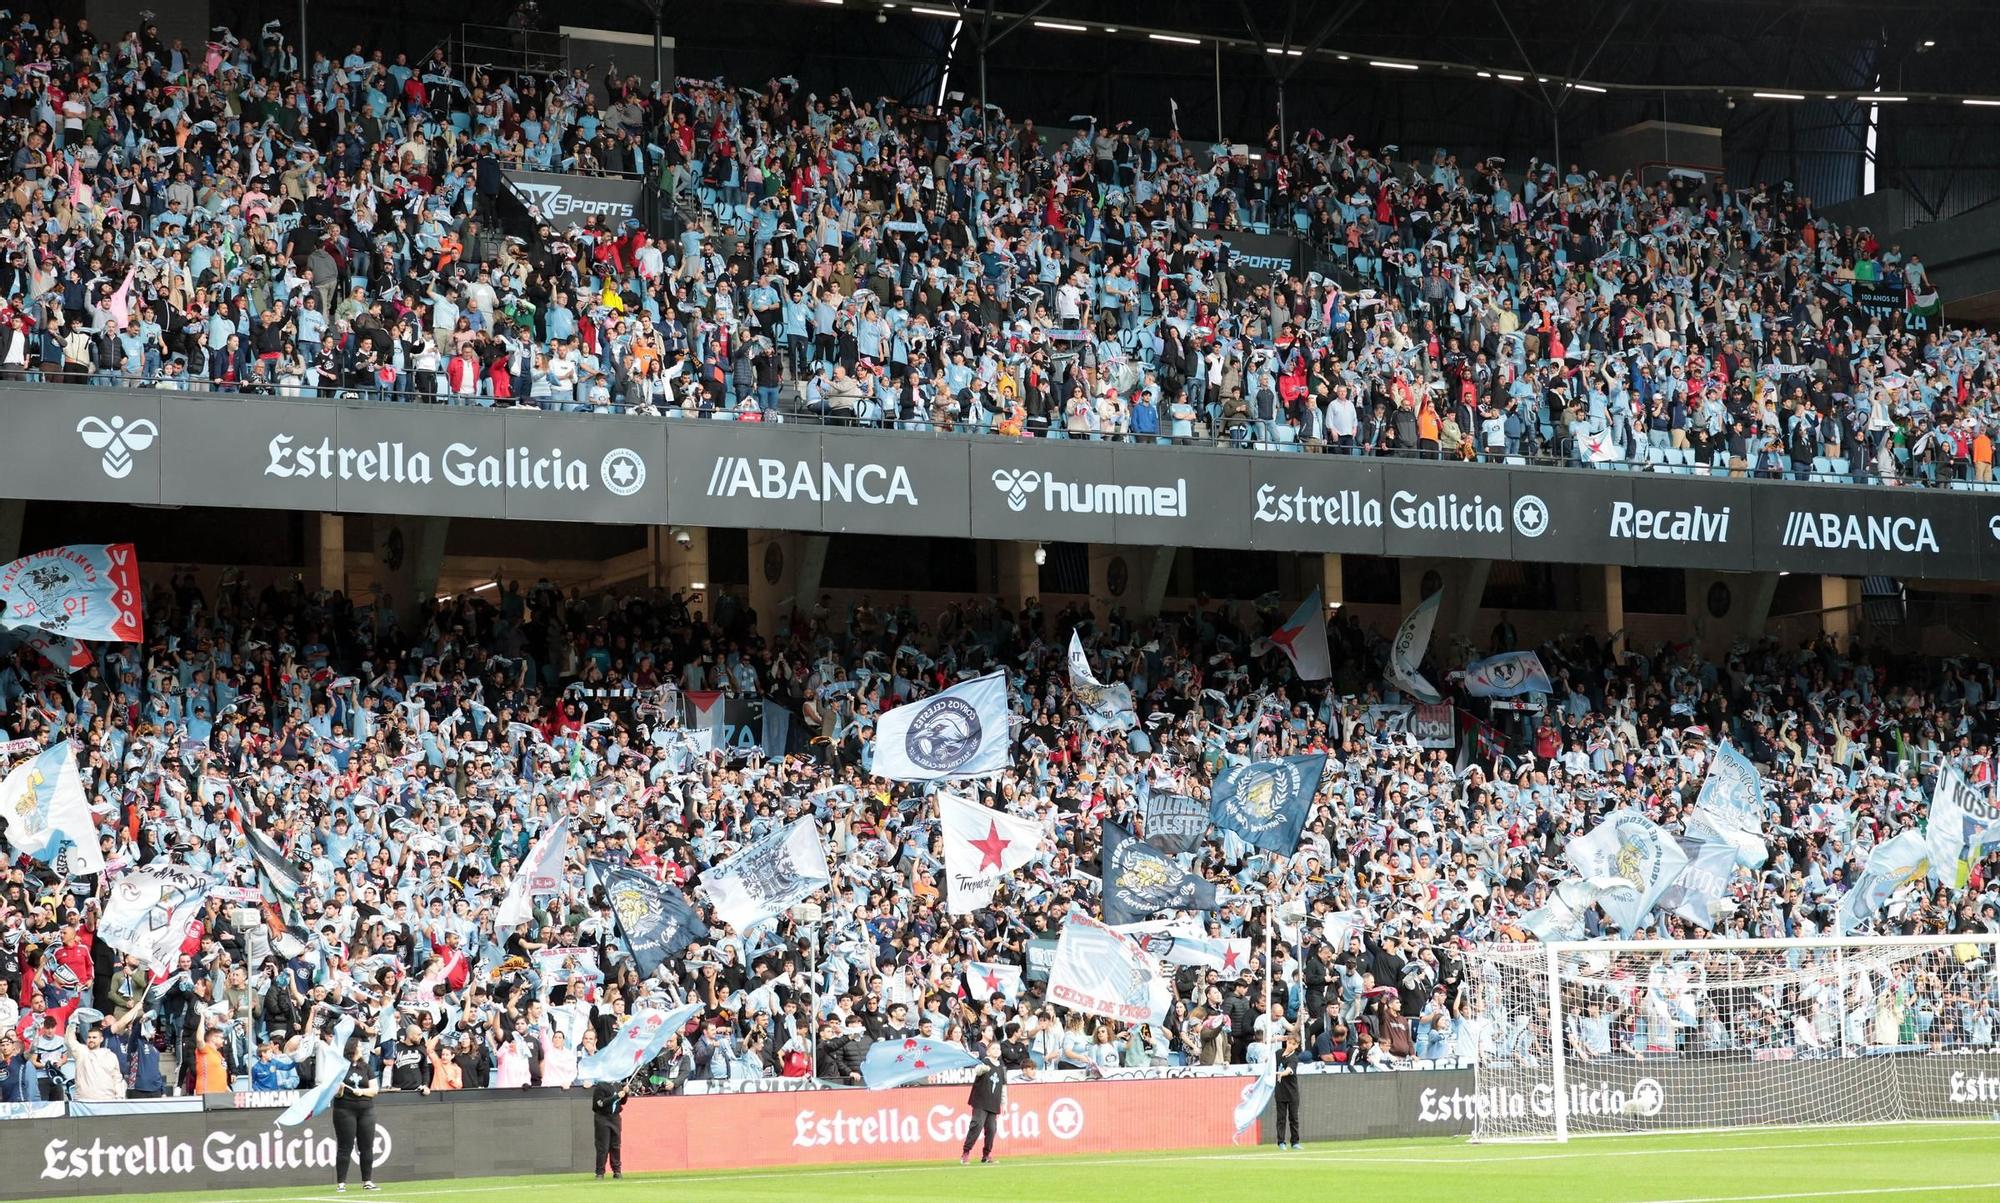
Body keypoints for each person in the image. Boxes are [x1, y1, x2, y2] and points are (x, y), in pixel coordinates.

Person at [333, 1036, 382, 1193]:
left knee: (366, 1146)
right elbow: (337, 1095)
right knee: (345, 1147)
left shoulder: (366, 1067)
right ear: (352, 1048)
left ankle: (367, 1180)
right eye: (360, 1046)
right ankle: (341, 1183)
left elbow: (374, 1090)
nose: (362, 1048)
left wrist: (362, 1091)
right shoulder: (341, 1067)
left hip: (366, 1110)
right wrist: (340, 1088)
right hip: (344, 1110)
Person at [960, 1040, 1007, 1165]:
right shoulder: (984, 1063)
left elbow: (1003, 1088)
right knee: (976, 1126)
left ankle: (986, 1155)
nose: (996, 1051)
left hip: (993, 1103)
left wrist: (1004, 1104)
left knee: (991, 1129)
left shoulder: (1002, 1068)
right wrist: (983, 1068)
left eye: (998, 1049)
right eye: (994, 1049)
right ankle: (966, 1152)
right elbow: (978, 1070)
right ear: (988, 1051)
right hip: (981, 1101)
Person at [590, 1076, 630, 1179]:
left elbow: (622, 1102)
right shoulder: (600, 1086)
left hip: (615, 1118)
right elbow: (599, 1104)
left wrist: (625, 1093)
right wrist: (616, 1097)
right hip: (603, 1118)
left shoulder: (617, 1085)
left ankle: (617, 1170)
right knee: (603, 1146)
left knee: (615, 1145)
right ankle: (600, 1172)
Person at [1273, 1033, 1303, 1149]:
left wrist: (1281, 1073)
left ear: (1297, 1046)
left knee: (1293, 1118)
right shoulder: (1278, 1053)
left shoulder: (1294, 1058)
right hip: (1280, 1092)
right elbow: (1270, 1063)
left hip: (1292, 1093)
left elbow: (1289, 1070)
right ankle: (1281, 1142)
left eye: (1293, 1044)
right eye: (1289, 1042)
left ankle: (1295, 1142)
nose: (1290, 1045)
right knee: (1281, 1118)